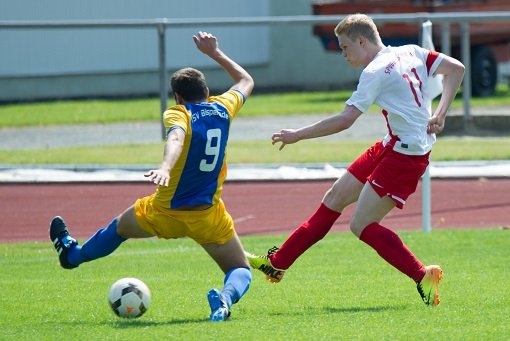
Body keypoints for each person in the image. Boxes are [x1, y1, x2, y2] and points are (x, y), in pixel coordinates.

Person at [245, 14, 464, 307]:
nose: (343, 54)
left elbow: (346, 120)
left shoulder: (374, 71)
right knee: (334, 197)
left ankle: (422, 274)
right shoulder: (410, 50)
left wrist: (298, 134)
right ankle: (278, 263)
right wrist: (441, 112)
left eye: (345, 47)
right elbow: (456, 69)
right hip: (393, 143)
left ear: (362, 40)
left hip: (407, 155)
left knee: (361, 224)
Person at [49, 31, 255, 322]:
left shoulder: (178, 113)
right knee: (240, 269)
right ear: (207, 92)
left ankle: (72, 256)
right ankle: (225, 299)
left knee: (118, 229)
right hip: (208, 216)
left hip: (164, 212)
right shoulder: (223, 108)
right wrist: (215, 53)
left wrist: (166, 169)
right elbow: (246, 81)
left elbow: (176, 139)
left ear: (178, 97)